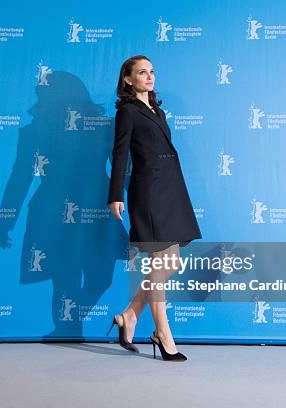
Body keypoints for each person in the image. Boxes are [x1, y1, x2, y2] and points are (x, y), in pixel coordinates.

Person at [106, 55, 202, 361]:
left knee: (169, 262)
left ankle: (130, 315)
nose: (149, 77)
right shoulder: (127, 112)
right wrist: (114, 195)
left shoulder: (157, 109)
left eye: (151, 71)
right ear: (128, 80)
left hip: (172, 188)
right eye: (141, 72)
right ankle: (163, 334)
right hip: (149, 191)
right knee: (159, 264)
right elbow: (119, 154)